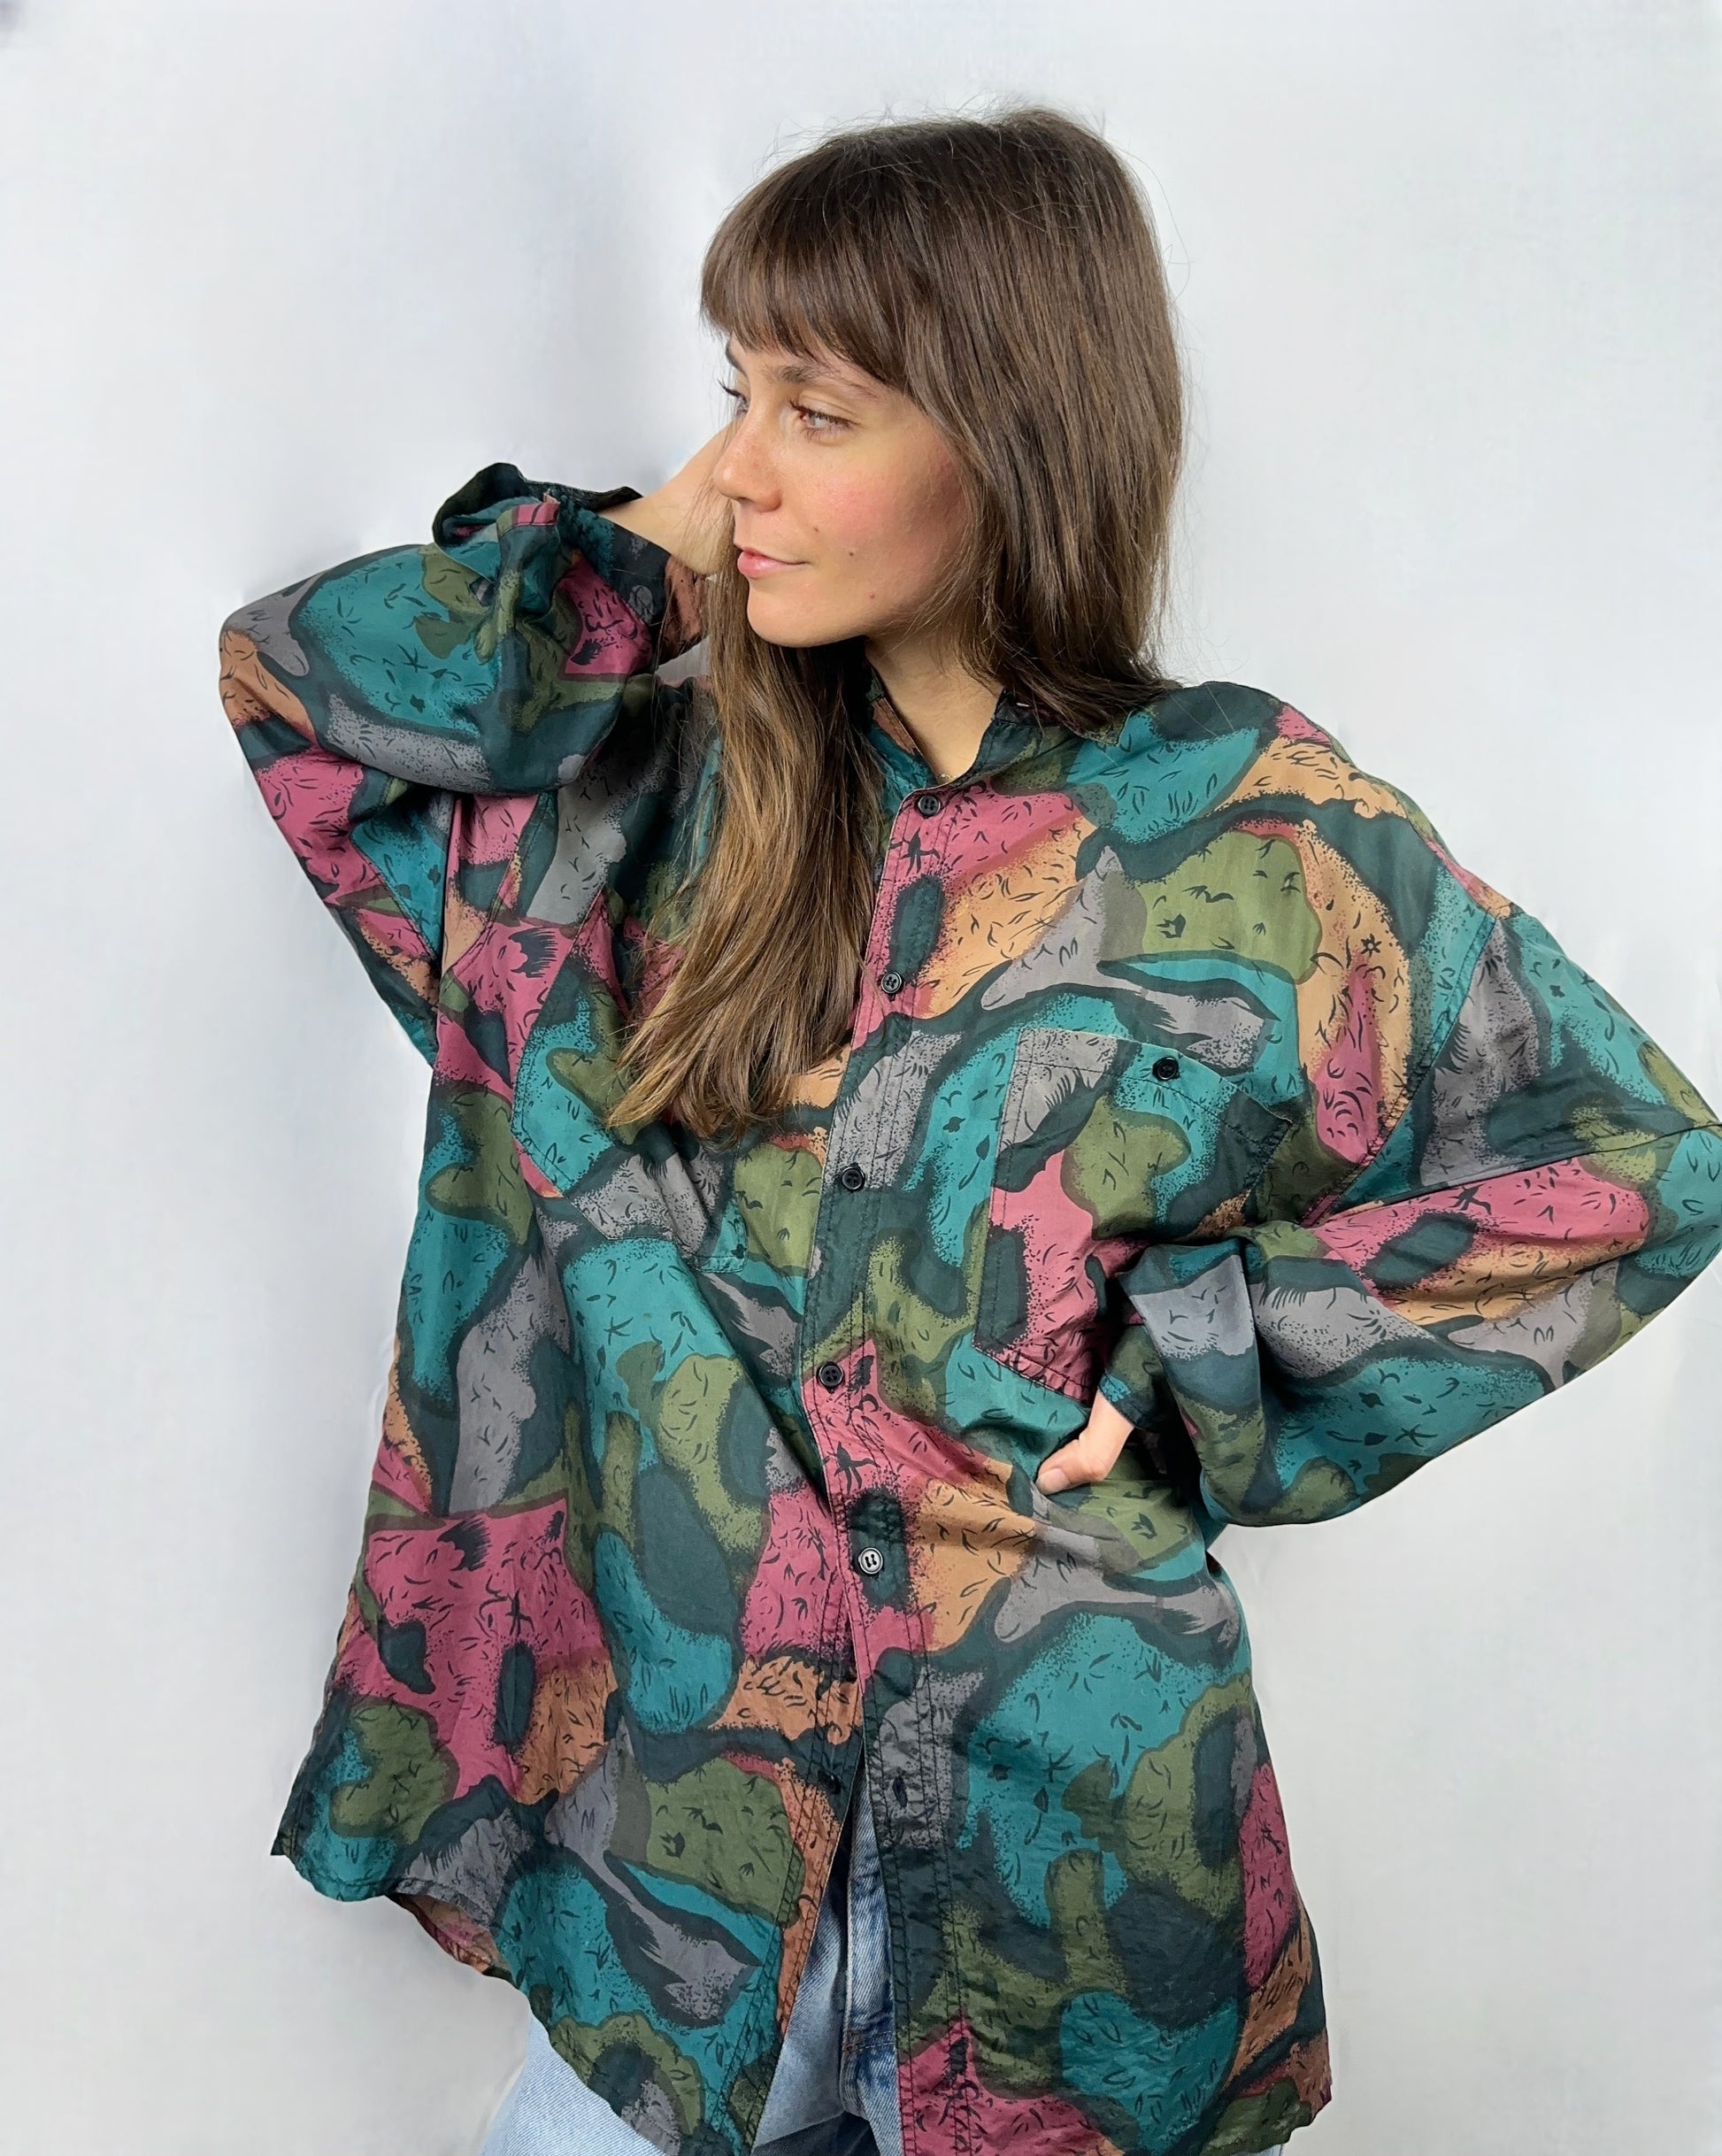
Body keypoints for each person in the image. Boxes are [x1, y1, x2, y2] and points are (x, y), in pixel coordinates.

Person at [216, 103, 1722, 2156]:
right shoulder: (618, 814)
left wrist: (1207, 1359)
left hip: (1071, 1894)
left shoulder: (1254, 834)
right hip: (673, 1880)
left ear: (1005, 439)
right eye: (735, 392)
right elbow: (301, 688)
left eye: (817, 411)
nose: (744, 466)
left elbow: (1639, 1166)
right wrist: (667, 539)